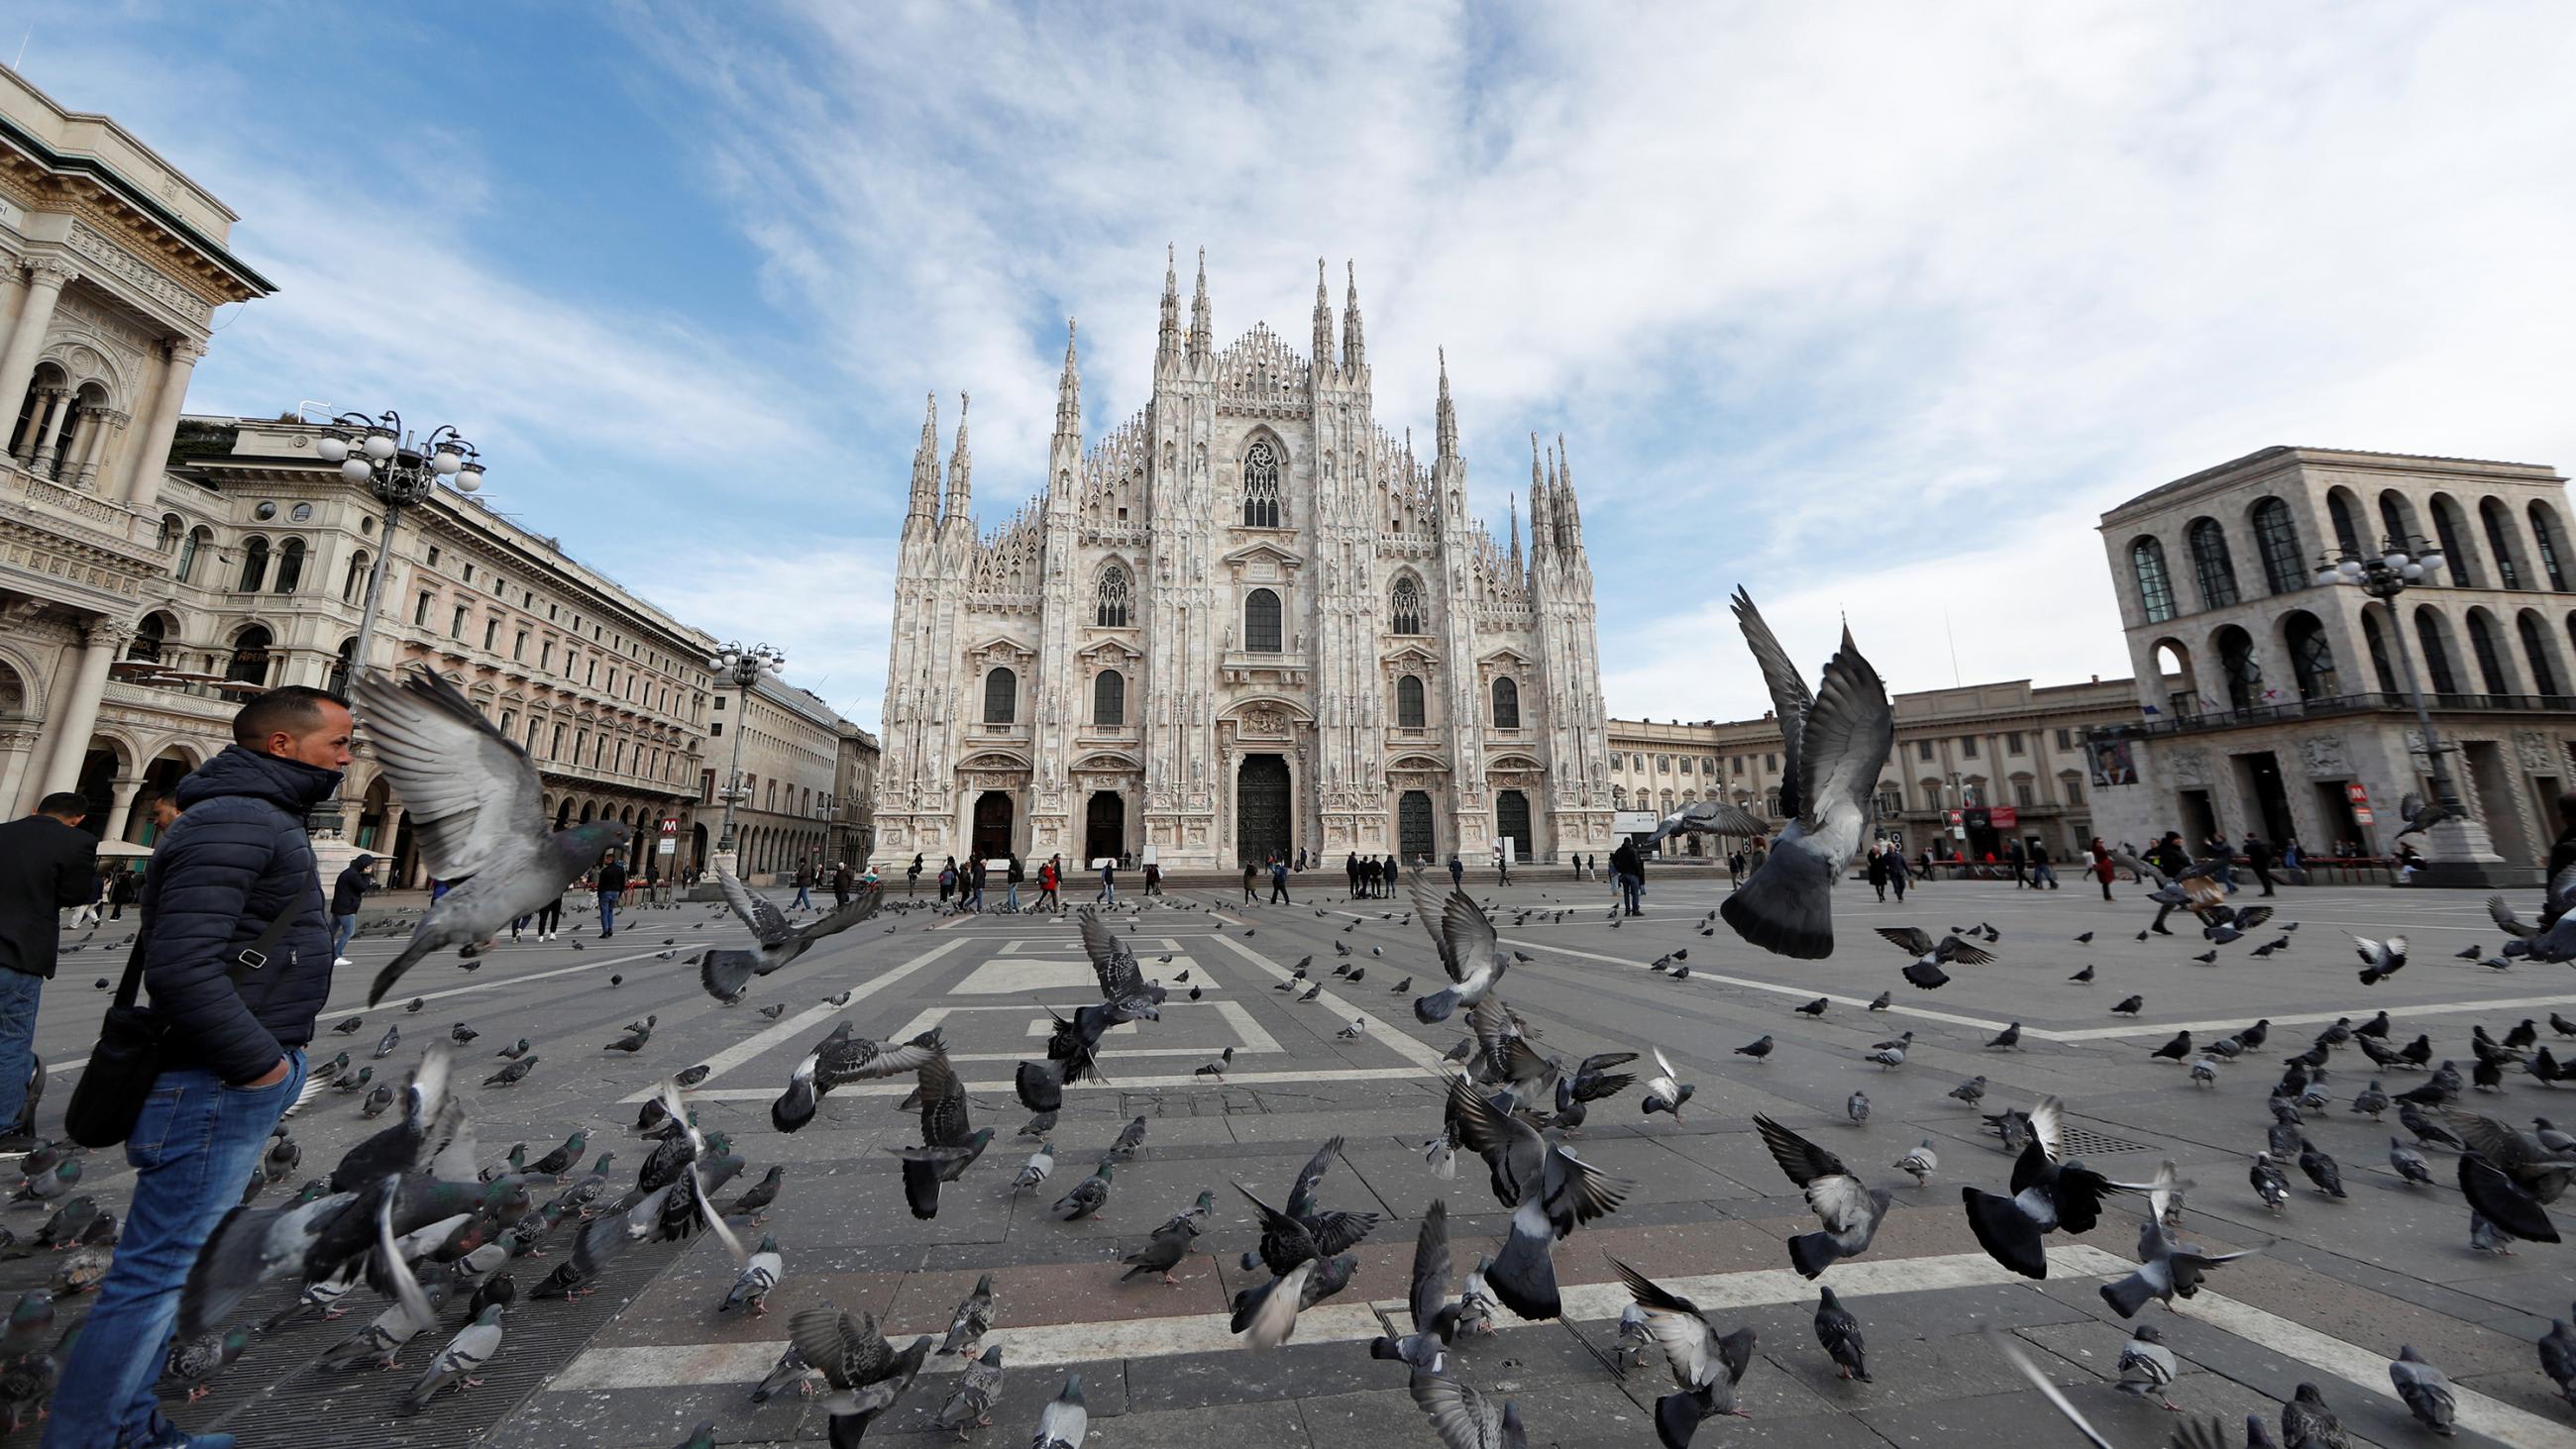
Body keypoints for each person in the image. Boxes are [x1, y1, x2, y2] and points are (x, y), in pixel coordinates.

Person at [46, 686, 350, 1449]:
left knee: (173, 1274)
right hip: (216, 1077)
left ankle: (131, 1427)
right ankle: (87, 1439)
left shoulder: (252, 815)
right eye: (338, 743)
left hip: (223, 1071)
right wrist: (260, 1069)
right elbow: (182, 965)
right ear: (282, 745)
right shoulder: (240, 819)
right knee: (154, 1276)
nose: (346, 757)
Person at [0, 791, 96, 1142]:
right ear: (78, 818)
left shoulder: (2, 832)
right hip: (18, 955)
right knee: (9, 1041)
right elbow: (77, 894)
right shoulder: (78, 842)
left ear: (35, 809)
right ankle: (3, 1127)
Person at [328, 854, 376, 966]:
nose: (371, 867)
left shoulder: (348, 872)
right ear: (365, 865)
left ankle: (323, 952)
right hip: (347, 909)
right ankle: (336, 955)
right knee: (348, 932)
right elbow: (363, 887)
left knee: (330, 932)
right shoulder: (353, 875)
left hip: (338, 907)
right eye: (369, 865)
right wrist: (367, 874)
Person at [595, 853, 626, 937]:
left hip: (605, 892)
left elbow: (600, 884)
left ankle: (605, 931)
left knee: (604, 912)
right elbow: (623, 882)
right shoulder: (620, 869)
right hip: (615, 893)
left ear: (610, 860)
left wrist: (599, 894)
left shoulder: (605, 870)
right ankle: (610, 929)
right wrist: (620, 892)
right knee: (610, 911)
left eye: (606, 859)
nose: (604, 860)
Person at [2241, 832, 2278, 897]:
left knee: (2264, 878)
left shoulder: (2255, 843)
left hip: (2259, 863)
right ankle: (2268, 891)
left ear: (2250, 837)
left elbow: (2246, 850)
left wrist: (2246, 841)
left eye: (2247, 838)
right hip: (2262, 863)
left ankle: (2269, 892)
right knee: (2264, 877)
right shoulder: (2258, 843)